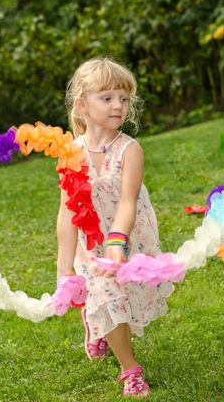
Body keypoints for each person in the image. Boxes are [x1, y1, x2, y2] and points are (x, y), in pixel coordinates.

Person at [56, 57, 174, 398]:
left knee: (129, 295)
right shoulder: (70, 154)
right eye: (107, 98)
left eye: (124, 99)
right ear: (82, 104)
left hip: (127, 234)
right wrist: (65, 268)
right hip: (90, 245)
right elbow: (67, 213)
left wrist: (118, 240)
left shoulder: (129, 150)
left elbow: (127, 202)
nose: (118, 106)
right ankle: (130, 370)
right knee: (108, 298)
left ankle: (97, 328)